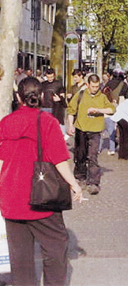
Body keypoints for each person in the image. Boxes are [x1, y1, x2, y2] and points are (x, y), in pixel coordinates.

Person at [0, 77, 83, 286]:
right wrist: (74, 183)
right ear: (42, 95)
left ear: (18, 96)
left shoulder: (6, 123)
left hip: (11, 198)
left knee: (20, 258)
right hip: (41, 198)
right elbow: (59, 160)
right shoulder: (47, 122)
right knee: (56, 247)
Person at [67, 74, 116, 195]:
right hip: (81, 129)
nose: (95, 88)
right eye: (93, 86)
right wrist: (70, 125)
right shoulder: (80, 94)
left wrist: (98, 110)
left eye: (97, 86)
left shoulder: (102, 97)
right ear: (87, 85)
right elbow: (71, 110)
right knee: (80, 155)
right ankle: (80, 178)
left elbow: (112, 110)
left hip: (95, 131)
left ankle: (93, 182)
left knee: (93, 156)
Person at [41, 68, 68, 139]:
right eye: (48, 77)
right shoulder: (43, 84)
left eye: (51, 77)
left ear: (54, 75)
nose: (50, 79)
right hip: (45, 107)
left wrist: (59, 99)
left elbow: (62, 94)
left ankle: (59, 136)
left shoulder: (58, 84)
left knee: (56, 122)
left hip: (55, 107)